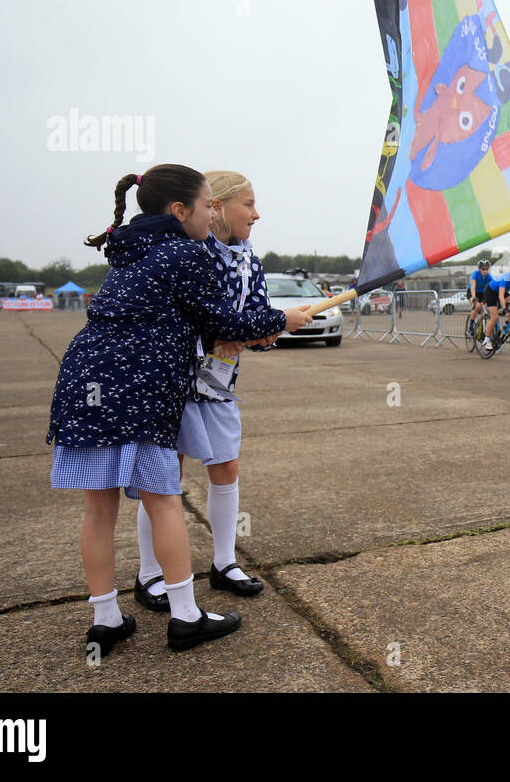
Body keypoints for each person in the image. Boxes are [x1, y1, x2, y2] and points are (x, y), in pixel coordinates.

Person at [46, 165, 312, 658]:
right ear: (180, 211)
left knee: (98, 509)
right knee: (164, 498)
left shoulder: (127, 248)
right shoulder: (186, 252)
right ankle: (186, 617)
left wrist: (269, 322)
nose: (213, 213)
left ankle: (105, 619)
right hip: (139, 387)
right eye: (208, 204)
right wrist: (283, 319)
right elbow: (224, 321)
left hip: (84, 381)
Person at [134, 171, 277, 614]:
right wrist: (220, 332)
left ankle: (224, 562)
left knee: (226, 466)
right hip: (172, 380)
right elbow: (178, 314)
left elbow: (259, 315)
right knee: (163, 478)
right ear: (217, 206)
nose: (257, 214)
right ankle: (149, 573)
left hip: (218, 383)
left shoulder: (250, 260)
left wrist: (260, 332)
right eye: (248, 204)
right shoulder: (187, 252)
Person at [466, 259, 493, 337]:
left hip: (482, 293)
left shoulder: (489, 276)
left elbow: (494, 286)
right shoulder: (475, 274)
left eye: (486, 269)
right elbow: (473, 286)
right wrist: (474, 297)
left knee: (485, 309)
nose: (485, 271)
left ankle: (481, 325)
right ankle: (470, 327)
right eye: (483, 269)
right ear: (479, 269)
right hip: (472, 291)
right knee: (477, 306)